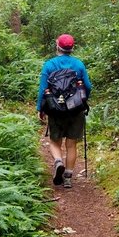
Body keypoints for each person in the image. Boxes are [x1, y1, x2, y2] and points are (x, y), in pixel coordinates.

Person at [37, 34, 92, 188]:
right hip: (75, 109)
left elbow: (43, 89)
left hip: (55, 109)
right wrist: (81, 100)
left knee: (55, 141)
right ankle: (68, 176)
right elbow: (88, 86)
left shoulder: (49, 65)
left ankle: (58, 161)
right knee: (71, 143)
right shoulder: (79, 65)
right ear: (71, 48)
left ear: (57, 46)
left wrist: (40, 108)